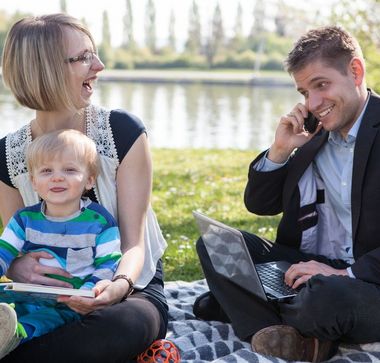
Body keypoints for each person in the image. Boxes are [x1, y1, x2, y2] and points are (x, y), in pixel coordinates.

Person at [194, 25, 380, 362]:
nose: (313, 103)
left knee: (327, 298)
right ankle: (285, 332)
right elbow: (260, 204)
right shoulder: (314, 134)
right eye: (304, 91)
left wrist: (343, 274)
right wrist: (280, 150)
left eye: (321, 85)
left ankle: (251, 311)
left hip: (364, 282)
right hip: (312, 268)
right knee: (215, 243)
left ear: (355, 71)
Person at [0, 14, 168, 362]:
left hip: (129, 287)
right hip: (43, 297)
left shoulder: (122, 132)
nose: (100, 66)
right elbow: (15, 244)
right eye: (83, 57)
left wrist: (116, 288)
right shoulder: (6, 156)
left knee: (123, 325)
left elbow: (134, 244)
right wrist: (16, 267)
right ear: (43, 68)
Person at [0, 129, 122, 359]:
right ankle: (7, 324)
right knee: (12, 307)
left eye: (69, 170)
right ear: (34, 182)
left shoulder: (99, 221)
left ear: (89, 179)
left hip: (71, 303)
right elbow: (3, 252)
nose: (57, 177)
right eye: (46, 171)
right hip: (27, 295)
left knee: (47, 320)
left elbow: (108, 264)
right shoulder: (24, 219)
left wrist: (89, 291)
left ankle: (15, 334)